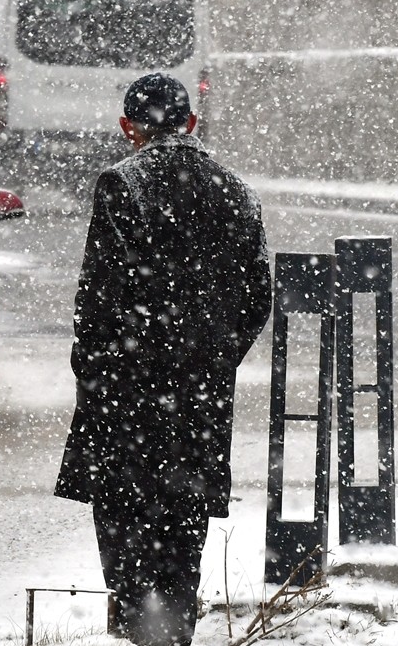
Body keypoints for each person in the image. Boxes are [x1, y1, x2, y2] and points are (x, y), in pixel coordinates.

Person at [54, 73, 272, 646]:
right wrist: (213, 359)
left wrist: (99, 369)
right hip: (199, 398)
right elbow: (256, 297)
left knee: (125, 529)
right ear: (191, 123)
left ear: (128, 127)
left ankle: (133, 633)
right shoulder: (234, 188)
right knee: (182, 530)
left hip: (126, 394)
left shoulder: (122, 185)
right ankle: (173, 634)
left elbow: (98, 295)